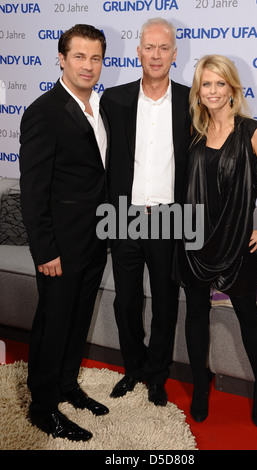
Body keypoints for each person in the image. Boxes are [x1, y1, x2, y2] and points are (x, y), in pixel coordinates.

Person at [173, 54, 257, 427]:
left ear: (232, 88)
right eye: (205, 84)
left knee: (246, 317)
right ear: (198, 90)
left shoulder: (251, 131)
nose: (212, 91)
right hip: (193, 241)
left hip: (235, 242)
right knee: (194, 314)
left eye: (219, 84)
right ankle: (202, 386)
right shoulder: (191, 130)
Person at [19, 24, 110, 441]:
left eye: (95, 58)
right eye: (79, 57)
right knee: (54, 322)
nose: (88, 66)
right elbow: (34, 191)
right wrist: (45, 251)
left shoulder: (101, 108)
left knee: (77, 320)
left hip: (96, 240)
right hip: (59, 246)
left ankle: (67, 386)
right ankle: (41, 405)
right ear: (61, 58)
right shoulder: (43, 111)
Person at [100, 18, 191, 406]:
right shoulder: (114, 99)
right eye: (149, 47)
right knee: (127, 300)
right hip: (123, 213)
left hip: (172, 216)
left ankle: (157, 374)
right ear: (139, 51)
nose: (156, 55)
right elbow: (101, 161)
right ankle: (133, 368)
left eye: (164, 48)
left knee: (167, 302)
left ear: (174, 53)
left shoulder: (193, 100)